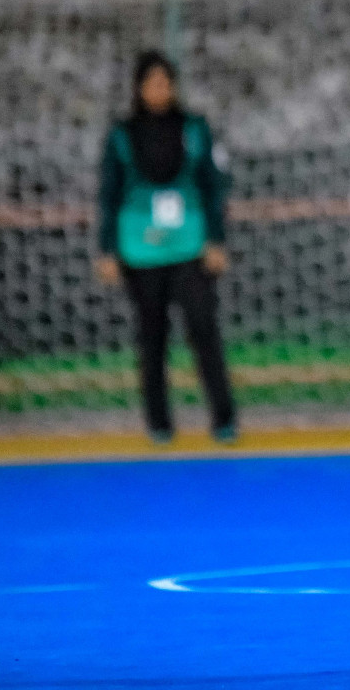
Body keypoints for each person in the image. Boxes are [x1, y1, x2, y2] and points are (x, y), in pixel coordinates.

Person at [95, 51, 237, 445]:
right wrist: (107, 250)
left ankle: (223, 417)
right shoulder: (121, 135)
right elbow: (108, 194)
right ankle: (159, 422)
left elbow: (213, 185)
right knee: (151, 336)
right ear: (139, 89)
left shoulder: (195, 129)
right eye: (151, 83)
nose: (159, 90)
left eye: (165, 82)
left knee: (203, 328)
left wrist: (216, 239)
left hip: (190, 245)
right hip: (141, 250)